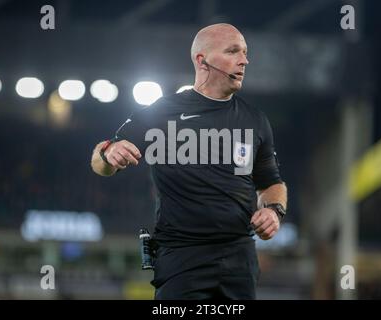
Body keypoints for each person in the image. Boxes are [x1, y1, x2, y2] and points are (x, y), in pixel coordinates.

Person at [91, 23, 287, 300]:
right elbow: (100, 163)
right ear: (202, 60)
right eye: (233, 51)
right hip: (182, 259)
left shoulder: (255, 120)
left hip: (239, 260)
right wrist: (108, 153)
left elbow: (271, 183)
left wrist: (274, 211)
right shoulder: (161, 113)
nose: (244, 60)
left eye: (244, 52)